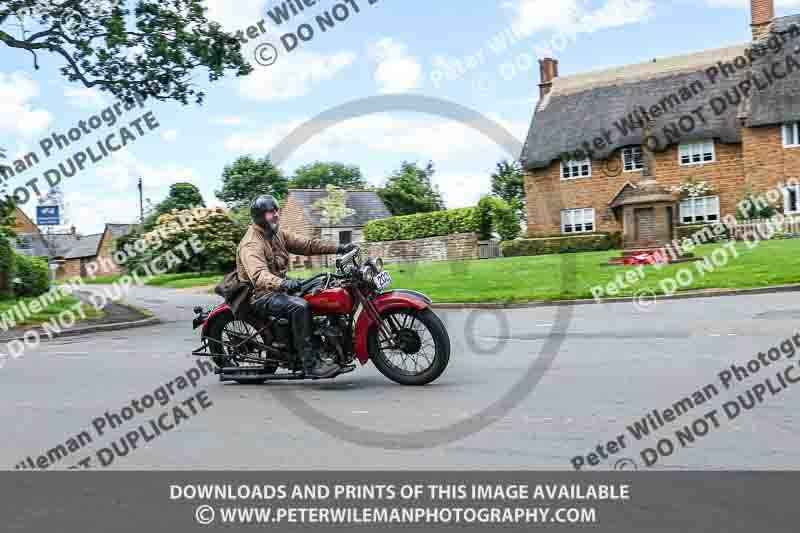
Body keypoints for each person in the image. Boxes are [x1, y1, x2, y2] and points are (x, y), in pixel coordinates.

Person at [237, 194, 358, 378]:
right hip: (262, 294)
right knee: (300, 307)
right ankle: (310, 363)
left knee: (324, 288)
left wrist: (340, 248)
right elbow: (259, 276)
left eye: (277, 210)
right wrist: (285, 283)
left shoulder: (276, 233)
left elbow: (308, 245)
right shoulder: (251, 243)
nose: (276, 214)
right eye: (271, 212)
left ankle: (329, 346)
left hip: (279, 286)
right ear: (260, 216)